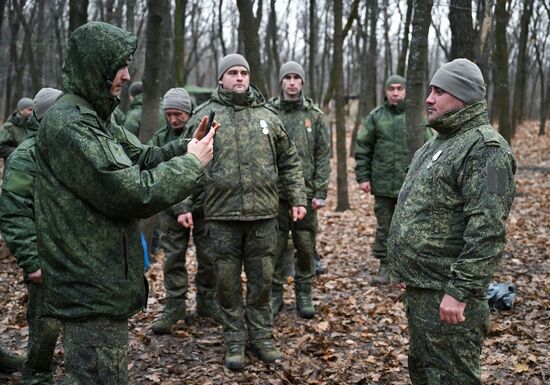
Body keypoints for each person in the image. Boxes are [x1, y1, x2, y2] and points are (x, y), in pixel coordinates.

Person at [33, 21, 217, 384]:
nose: (127, 75)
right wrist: (193, 163)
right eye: (121, 66)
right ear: (97, 66)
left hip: (103, 281)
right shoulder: (71, 127)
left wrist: (186, 145)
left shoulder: (98, 117)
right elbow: (132, 192)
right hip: (88, 285)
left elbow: (143, 157)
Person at [387, 58, 516, 384]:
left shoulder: (488, 150)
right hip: (424, 289)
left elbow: (488, 229)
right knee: (424, 371)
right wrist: (407, 270)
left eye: (440, 91)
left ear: (464, 97)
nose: (429, 98)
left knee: (452, 377)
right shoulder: (436, 145)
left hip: (449, 295)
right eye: (430, 89)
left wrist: (460, 292)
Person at [187, 53, 306, 370]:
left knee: (263, 283)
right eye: (233, 73)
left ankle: (262, 338)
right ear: (221, 78)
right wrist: (184, 205)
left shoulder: (267, 116)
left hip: (264, 217)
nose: (239, 77)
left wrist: (297, 198)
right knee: (226, 285)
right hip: (222, 218)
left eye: (244, 72)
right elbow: (186, 164)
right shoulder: (206, 116)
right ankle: (235, 342)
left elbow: (290, 161)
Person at [0, 87, 63, 385]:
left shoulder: (73, 147)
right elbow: (13, 214)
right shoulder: (26, 157)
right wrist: (31, 260)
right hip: (44, 255)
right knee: (46, 323)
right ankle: (37, 375)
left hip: (74, 254)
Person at [150, 88, 219, 333]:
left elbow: (205, 172)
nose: (173, 119)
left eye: (177, 113)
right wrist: (180, 208)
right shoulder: (159, 139)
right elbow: (159, 174)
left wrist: (191, 206)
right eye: (168, 114)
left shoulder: (204, 135)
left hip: (203, 208)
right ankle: (175, 306)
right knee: (172, 259)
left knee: (209, 257)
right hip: (170, 210)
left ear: (188, 113)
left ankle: (207, 302)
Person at [267, 61, 330, 319]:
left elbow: (323, 155)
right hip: (276, 194)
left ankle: (304, 293)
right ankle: (275, 294)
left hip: (306, 196)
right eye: (287, 78)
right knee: (276, 246)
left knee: (305, 246)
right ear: (281, 82)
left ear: (302, 82)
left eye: (296, 78)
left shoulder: (314, 116)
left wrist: (320, 192)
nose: (292, 82)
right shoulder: (270, 113)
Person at [354, 75, 431, 284]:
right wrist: (363, 177)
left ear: (406, 91)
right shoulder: (375, 117)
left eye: (399, 88)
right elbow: (363, 148)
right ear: (385, 92)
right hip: (383, 184)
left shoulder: (415, 117)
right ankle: (385, 265)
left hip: (410, 185)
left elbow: (431, 147)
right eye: (391, 89)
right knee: (385, 227)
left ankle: (408, 266)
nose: (395, 93)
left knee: (411, 227)